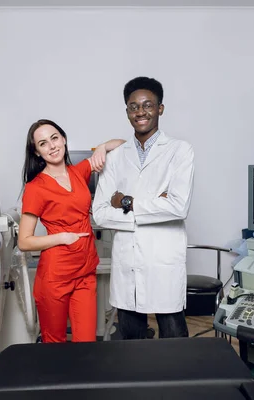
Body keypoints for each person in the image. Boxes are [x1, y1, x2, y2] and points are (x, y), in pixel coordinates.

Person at [92, 76, 195, 339]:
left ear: (160, 108)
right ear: (127, 112)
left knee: (175, 342)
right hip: (128, 262)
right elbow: (101, 213)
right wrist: (154, 207)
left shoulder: (180, 151)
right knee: (131, 344)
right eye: (133, 106)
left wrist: (127, 203)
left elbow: (178, 207)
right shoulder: (116, 157)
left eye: (148, 105)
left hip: (163, 260)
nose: (141, 112)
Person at [17, 119, 124, 343]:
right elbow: (24, 242)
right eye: (43, 143)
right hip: (55, 277)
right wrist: (61, 237)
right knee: (54, 343)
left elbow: (123, 144)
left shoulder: (79, 171)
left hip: (85, 273)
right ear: (37, 152)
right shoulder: (36, 188)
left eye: (55, 138)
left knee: (86, 344)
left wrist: (102, 147)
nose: (52, 146)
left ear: (64, 140)